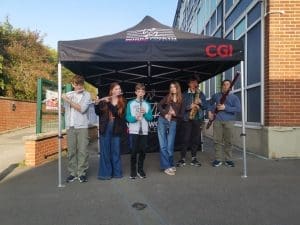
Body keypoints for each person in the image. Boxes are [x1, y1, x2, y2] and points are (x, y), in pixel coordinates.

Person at [62, 75, 91, 183]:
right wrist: (57, 105)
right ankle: (73, 173)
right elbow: (64, 110)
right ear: (73, 84)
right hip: (70, 126)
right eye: (76, 84)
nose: (79, 86)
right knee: (71, 151)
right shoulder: (69, 94)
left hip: (82, 126)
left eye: (80, 84)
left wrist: (68, 100)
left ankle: (81, 173)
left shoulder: (87, 95)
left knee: (83, 151)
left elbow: (82, 109)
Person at [94, 82, 126, 180]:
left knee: (115, 152)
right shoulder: (105, 100)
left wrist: (108, 103)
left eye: (119, 89)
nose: (118, 91)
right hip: (105, 128)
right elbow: (98, 113)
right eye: (116, 89)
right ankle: (105, 174)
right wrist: (96, 104)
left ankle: (117, 173)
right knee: (105, 152)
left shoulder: (123, 101)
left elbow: (118, 114)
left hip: (116, 129)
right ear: (111, 90)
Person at [208, 79, 241, 167]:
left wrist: (225, 107)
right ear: (222, 86)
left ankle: (228, 160)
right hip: (217, 120)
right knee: (217, 141)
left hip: (229, 121)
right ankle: (218, 159)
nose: (226, 86)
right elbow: (209, 104)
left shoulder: (234, 97)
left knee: (229, 141)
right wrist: (210, 112)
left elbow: (238, 109)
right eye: (224, 84)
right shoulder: (216, 95)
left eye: (228, 85)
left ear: (230, 87)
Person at [176, 77, 207, 167]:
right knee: (185, 139)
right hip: (187, 119)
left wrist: (201, 102)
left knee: (195, 139)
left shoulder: (201, 94)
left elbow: (205, 106)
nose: (195, 84)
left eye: (196, 82)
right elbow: (180, 108)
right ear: (189, 84)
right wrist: (189, 107)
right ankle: (182, 158)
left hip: (198, 119)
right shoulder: (184, 94)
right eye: (192, 82)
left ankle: (194, 158)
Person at [126, 83, 153, 179]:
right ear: (135, 92)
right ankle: (133, 171)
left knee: (142, 151)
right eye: (139, 91)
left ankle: (140, 170)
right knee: (133, 152)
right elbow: (128, 117)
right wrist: (135, 118)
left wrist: (145, 113)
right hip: (134, 131)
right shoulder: (130, 103)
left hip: (144, 131)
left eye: (142, 91)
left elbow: (150, 118)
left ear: (144, 93)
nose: (141, 93)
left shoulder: (147, 104)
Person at [157, 81, 184, 176]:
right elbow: (158, 105)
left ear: (177, 88)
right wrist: (165, 113)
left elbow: (182, 115)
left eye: (174, 87)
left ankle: (171, 163)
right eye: (171, 87)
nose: (172, 89)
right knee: (163, 145)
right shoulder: (168, 97)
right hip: (162, 120)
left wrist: (175, 114)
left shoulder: (181, 99)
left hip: (173, 122)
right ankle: (166, 166)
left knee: (170, 146)